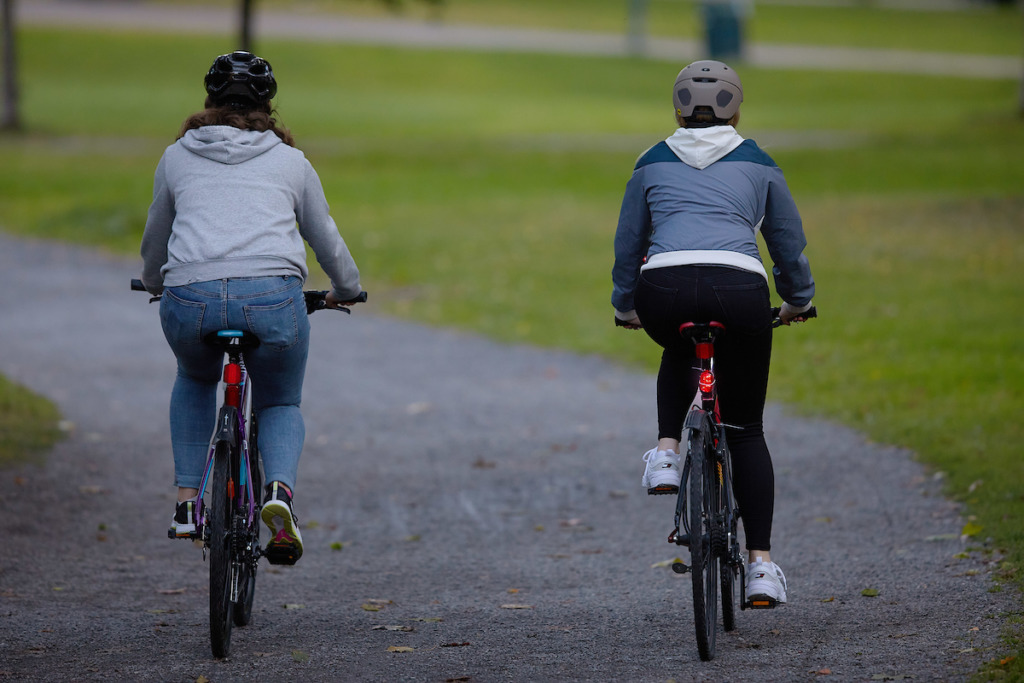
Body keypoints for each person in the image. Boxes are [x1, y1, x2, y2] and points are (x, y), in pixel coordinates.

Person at [140, 51, 363, 564]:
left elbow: (157, 237)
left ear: (209, 100)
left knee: (196, 379)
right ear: (269, 106)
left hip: (189, 299)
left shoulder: (176, 156)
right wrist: (346, 288)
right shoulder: (291, 162)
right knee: (280, 402)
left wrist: (154, 281)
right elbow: (323, 235)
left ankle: (186, 503)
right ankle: (279, 494)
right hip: (271, 298)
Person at [611, 60, 814, 606]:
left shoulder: (650, 161)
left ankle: (666, 454)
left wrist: (625, 306)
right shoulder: (760, 162)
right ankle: (762, 566)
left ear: (676, 108)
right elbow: (786, 244)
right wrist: (798, 300)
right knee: (745, 429)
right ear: (737, 108)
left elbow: (630, 242)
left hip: (664, 289)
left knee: (679, 344)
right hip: (740, 289)